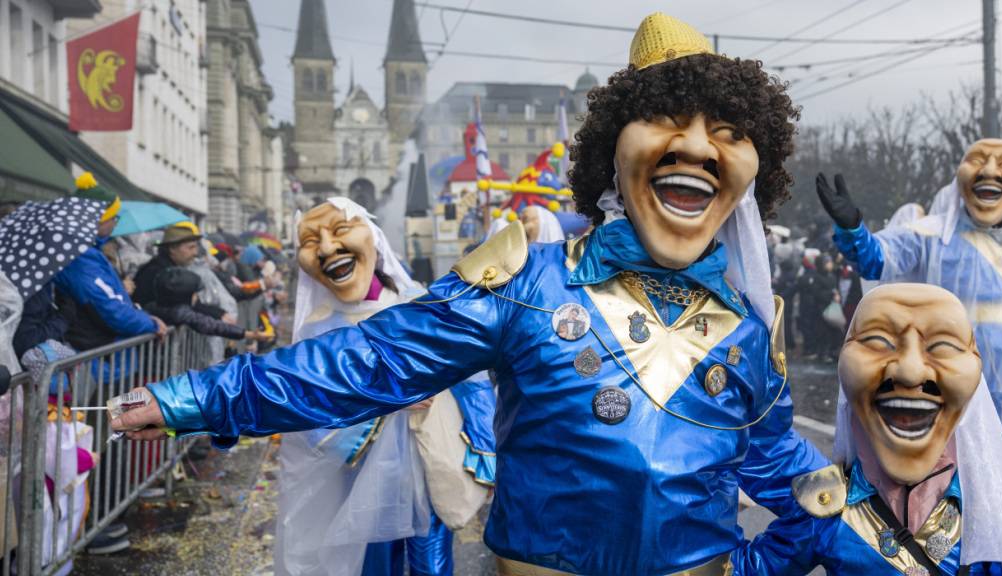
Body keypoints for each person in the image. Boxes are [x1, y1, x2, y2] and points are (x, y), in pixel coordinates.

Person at [112, 13, 826, 575]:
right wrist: (195, 398)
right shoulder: (528, 281)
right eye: (668, 124)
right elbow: (372, 359)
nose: (697, 148)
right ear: (614, 148)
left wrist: (867, 540)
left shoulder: (743, 327)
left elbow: (789, 476)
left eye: (727, 132)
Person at [734, 284, 1002, 574]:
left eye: (943, 346)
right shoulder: (829, 509)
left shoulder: (988, 512)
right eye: (877, 341)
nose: (910, 372)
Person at [273, 198, 495, 576]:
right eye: (311, 242)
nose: (327, 248)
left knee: (432, 560)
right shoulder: (316, 331)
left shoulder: (418, 306)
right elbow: (310, 416)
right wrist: (384, 401)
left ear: (373, 240)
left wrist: (485, 447)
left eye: (340, 231)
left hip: (429, 464)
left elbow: (469, 377)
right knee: (375, 562)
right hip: (363, 479)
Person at [817, 139, 1002, 470]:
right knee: (956, 490)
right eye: (978, 160)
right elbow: (877, 259)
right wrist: (853, 229)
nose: (989, 171)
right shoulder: (931, 237)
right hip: (951, 392)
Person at [54, 173, 166, 352]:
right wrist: (150, 323)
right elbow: (110, 309)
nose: (115, 223)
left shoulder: (88, 251)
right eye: (114, 217)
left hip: (102, 353)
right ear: (98, 220)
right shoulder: (80, 257)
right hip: (98, 355)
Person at [143, 268, 270, 343]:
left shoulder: (153, 306)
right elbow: (211, 325)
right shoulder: (179, 312)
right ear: (182, 296)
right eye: (193, 293)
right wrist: (248, 334)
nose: (197, 297)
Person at [133, 222, 203, 310]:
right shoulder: (158, 273)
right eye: (190, 248)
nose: (195, 253)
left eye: (196, 247)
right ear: (172, 248)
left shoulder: (170, 270)